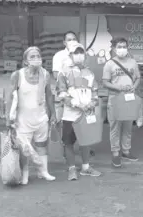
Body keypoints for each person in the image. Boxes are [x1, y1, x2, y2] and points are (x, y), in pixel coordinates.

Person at [5, 46, 57, 185]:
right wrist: (8, 118)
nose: (36, 59)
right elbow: (9, 98)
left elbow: (49, 96)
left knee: (41, 145)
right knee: (25, 149)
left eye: (38, 56)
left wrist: (53, 114)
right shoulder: (17, 75)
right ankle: (25, 174)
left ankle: (43, 171)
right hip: (23, 120)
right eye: (32, 57)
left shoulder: (45, 74)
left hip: (40, 117)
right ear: (25, 61)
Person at [57, 42, 101, 180]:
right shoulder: (63, 72)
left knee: (86, 141)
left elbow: (95, 92)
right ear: (70, 54)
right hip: (70, 115)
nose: (79, 55)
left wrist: (92, 104)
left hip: (87, 114)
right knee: (68, 143)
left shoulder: (90, 73)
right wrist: (77, 104)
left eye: (81, 52)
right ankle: (71, 169)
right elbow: (61, 94)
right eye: (76, 53)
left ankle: (86, 168)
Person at [102, 37, 141, 168]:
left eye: (124, 46)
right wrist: (119, 88)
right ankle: (115, 152)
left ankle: (126, 151)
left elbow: (138, 78)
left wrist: (134, 87)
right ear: (114, 48)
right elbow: (105, 82)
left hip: (129, 98)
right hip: (115, 98)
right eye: (119, 46)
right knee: (115, 127)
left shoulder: (133, 62)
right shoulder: (109, 64)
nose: (122, 49)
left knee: (128, 126)